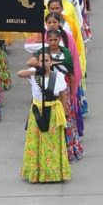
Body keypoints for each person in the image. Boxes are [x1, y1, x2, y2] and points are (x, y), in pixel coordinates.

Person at [17, 44, 70, 184]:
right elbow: (20, 74)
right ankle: (36, 171)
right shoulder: (34, 75)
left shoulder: (58, 76)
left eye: (47, 60)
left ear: (51, 62)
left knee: (52, 142)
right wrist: (35, 70)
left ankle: (53, 172)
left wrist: (64, 113)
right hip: (37, 111)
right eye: (41, 60)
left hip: (53, 111)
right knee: (37, 140)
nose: (44, 63)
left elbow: (63, 95)